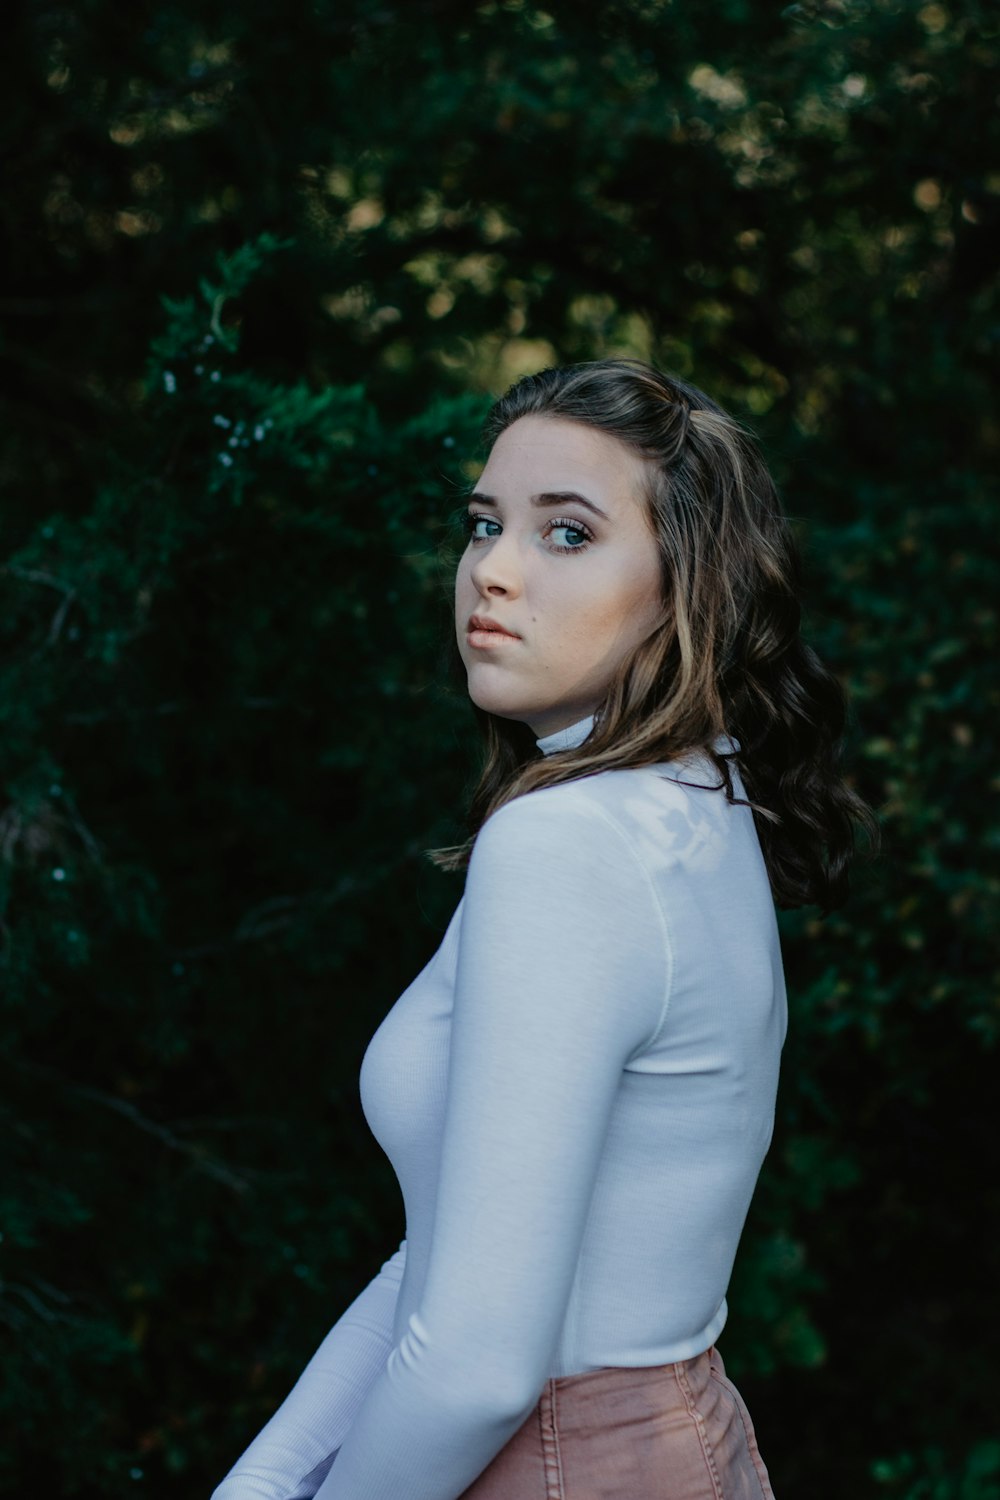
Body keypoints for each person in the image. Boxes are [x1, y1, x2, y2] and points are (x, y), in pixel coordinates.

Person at [210, 359, 877, 1499]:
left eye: (566, 535)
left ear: (685, 587)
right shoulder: (691, 802)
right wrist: (265, 1483)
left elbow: (473, 1366)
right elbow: (441, 1262)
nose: (492, 572)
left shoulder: (566, 849)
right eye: (484, 524)